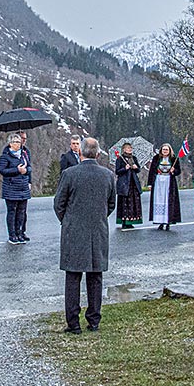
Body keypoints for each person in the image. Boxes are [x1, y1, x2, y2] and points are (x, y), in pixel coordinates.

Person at [53, 137, 116, 334]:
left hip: (74, 231)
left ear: (80, 152)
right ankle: (94, 320)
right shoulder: (107, 175)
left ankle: (73, 323)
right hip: (98, 230)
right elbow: (111, 204)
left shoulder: (69, 174)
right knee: (95, 276)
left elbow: (58, 203)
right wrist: (97, 219)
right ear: (98, 154)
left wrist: (69, 221)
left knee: (73, 277)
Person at [0, 132, 32, 244]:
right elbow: (2, 170)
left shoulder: (24, 154)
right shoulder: (5, 156)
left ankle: (19, 233)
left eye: (19, 142)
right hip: (11, 187)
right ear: (10, 144)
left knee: (21, 212)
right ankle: (12, 235)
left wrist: (26, 171)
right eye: (15, 142)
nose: (18, 144)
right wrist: (17, 170)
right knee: (12, 211)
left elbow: (30, 167)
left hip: (23, 187)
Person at [147, 143, 182, 231]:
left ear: (169, 150)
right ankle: (160, 222)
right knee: (159, 200)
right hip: (158, 181)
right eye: (163, 149)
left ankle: (168, 222)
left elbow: (179, 171)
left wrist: (174, 171)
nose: (165, 151)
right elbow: (151, 171)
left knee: (168, 200)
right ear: (161, 150)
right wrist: (150, 183)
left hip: (169, 181)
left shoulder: (174, 159)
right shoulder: (156, 158)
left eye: (167, 149)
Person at [114, 142, 143, 229]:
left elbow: (138, 170)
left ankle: (131, 220)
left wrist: (135, 167)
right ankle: (124, 221)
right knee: (124, 203)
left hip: (133, 183)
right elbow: (117, 171)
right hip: (124, 183)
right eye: (128, 148)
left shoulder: (134, 158)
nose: (130, 149)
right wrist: (125, 168)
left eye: (130, 148)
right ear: (123, 149)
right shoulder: (120, 159)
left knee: (133, 202)